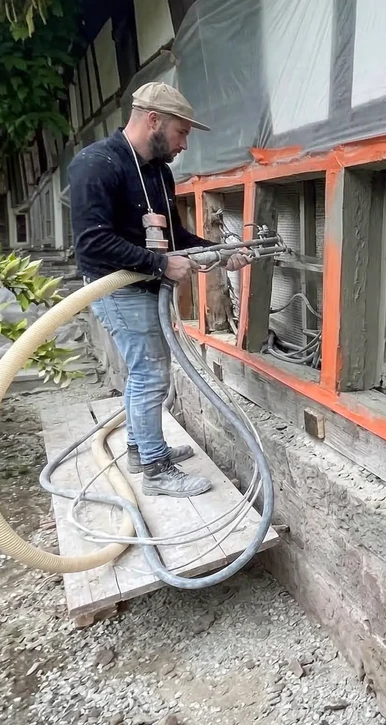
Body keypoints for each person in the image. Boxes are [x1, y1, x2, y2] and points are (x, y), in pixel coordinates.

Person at [68, 82, 249, 497]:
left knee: (144, 372)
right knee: (151, 374)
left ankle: (140, 450)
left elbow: (175, 236)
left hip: (145, 286)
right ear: (153, 120)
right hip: (118, 290)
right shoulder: (97, 164)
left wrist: (219, 253)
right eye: (181, 132)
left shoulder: (157, 172)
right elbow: (92, 244)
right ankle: (156, 470)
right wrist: (160, 264)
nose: (185, 144)